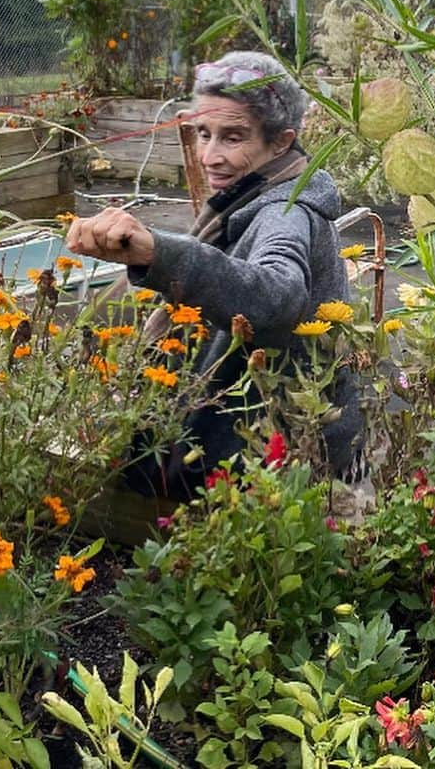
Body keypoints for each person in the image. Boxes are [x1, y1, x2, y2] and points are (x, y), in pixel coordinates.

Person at [66, 50, 362, 495]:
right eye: (204, 133)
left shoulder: (286, 211)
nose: (208, 156)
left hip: (282, 463)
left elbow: (278, 295)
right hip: (255, 434)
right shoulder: (247, 194)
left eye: (233, 137)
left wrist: (158, 252)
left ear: (281, 142)